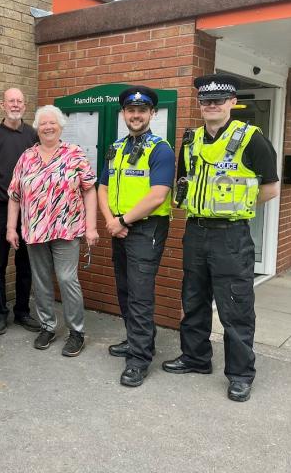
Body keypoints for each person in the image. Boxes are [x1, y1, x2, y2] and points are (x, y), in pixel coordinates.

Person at [162, 74, 280, 402]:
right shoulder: (191, 140)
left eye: (218, 100)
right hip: (196, 232)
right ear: (199, 104)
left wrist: (232, 207)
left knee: (235, 306)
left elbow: (270, 189)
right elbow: (185, 183)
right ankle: (196, 357)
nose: (211, 105)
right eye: (205, 100)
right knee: (194, 298)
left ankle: (241, 374)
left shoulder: (252, 139)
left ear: (231, 103)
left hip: (231, 235)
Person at [97, 86, 176, 387]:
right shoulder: (116, 147)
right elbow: (102, 188)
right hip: (120, 227)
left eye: (142, 111)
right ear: (124, 114)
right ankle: (136, 341)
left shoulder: (161, 149)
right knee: (126, 290)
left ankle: (139, 359)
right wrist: (110, 221)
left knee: (140, 296)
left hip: (145, 230)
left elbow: (158, 195)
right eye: (131, 110)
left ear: (152, 114)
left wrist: (122, 221)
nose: (136, 115)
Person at [6, 105, 98, 356]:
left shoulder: (74, 154)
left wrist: (91, 227)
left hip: (67, 230)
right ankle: (47, 326)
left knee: (68, 279)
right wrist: (10, 228)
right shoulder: (27, 157)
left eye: (52, 123)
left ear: (60, 126)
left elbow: (90, 190)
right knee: (42, 281)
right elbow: (15, 195)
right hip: (35, 231)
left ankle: (76, 331)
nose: (48, 127)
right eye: (43, 123)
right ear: (37, 127)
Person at [0, 88, 40, 336]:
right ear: (2, 106)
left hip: (28, 211)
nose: (15, 105)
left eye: (20, 101)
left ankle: (23, 311)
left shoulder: (33, 135)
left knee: (26, 263)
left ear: (24, 106)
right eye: (11, 101)